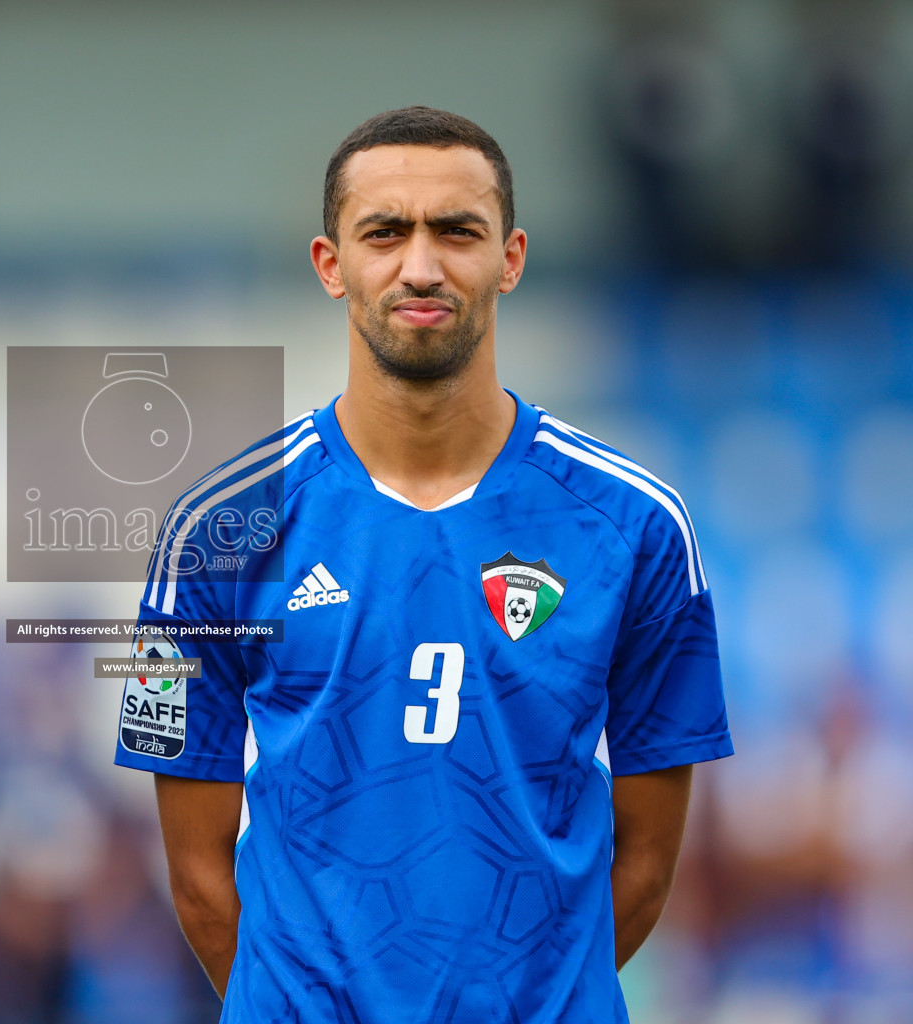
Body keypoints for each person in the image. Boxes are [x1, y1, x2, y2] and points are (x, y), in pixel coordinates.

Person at [114, 106, 731, 1022]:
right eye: (385, 232)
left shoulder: (637, 526)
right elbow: (196, 874)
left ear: (511, 257)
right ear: (332, 264)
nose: (421, 266)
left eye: (457, 231)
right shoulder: (213, 528)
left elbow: (647, 865)